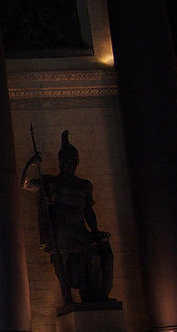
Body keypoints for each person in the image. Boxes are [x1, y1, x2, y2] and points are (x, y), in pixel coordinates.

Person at [21, 130, 114, 305]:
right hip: (61, 230)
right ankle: (67, 297)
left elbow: (88, 211)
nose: (69, 165)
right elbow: (25, 184)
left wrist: (95, 232)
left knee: (95, 256)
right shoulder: (52, 182)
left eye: (72, 161)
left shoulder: (84, 185)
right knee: (62, 266)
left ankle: (95, 296)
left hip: (79, 229)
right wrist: (31, 164)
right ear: (60, 162)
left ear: (77, 162)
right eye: (65, 161)